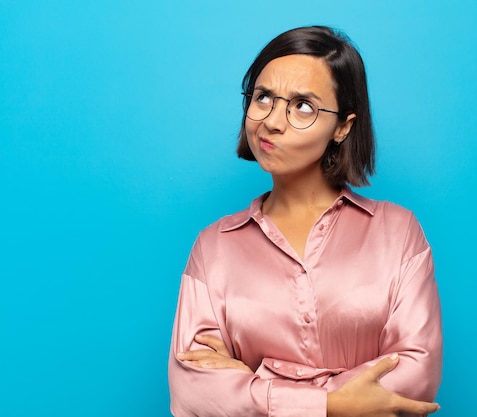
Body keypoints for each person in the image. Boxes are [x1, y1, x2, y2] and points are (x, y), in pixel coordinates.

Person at [168, 25, 443, 417]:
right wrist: (332, 405)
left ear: (343, 126)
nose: (272, 122)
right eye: (263, 97)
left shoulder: (397, 232)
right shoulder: (214, 247)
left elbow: (416, 376)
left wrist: (253, 386)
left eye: (302, 106)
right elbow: (193, 393)